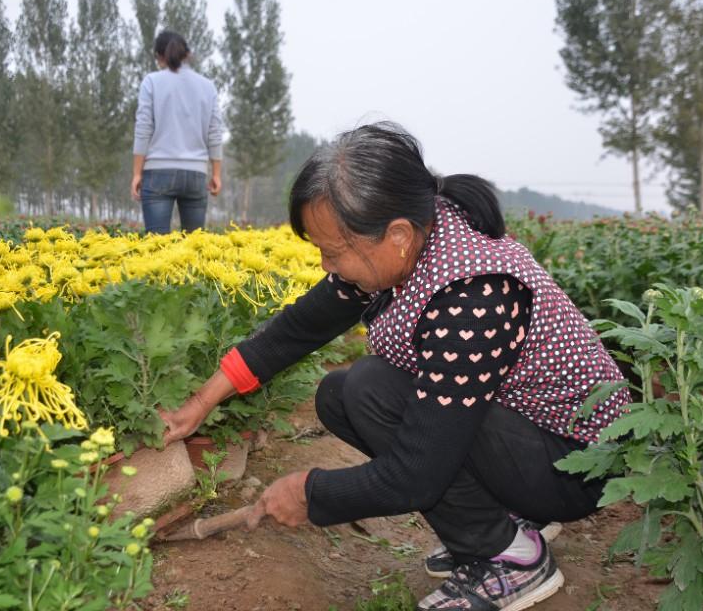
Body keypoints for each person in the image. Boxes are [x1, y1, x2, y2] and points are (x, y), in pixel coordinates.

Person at [160, 122, 630, 610]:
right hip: (522, 436)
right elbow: (301, 326)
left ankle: (510, 557)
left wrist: (311, 493)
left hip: (574, 465)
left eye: (333, 252)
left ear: (397, 235)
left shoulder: (472, 293)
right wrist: (200, 403)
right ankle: (502, 520)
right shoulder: (409, 238)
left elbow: (417, 475)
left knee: (370, 388)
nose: (325, 265)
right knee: (342, 395)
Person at [131, 30, 223, 234]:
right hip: (196, 174)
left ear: (159, 57)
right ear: (187, 54)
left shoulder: (152, 82)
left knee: (157, 248)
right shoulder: (207, 87)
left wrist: (137, 173)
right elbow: (215, 132)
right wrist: (216, 173)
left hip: (157, 172)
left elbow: (143, 129)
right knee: (193, 248)